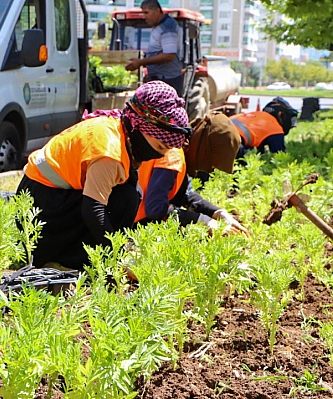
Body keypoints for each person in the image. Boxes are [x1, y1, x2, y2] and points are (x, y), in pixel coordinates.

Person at [17, 81, 191, 270]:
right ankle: (67, 261)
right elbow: (93, 211)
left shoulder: (118, 126)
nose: (159, 155)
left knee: (127, 193)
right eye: (159, 147)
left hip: (45, 194)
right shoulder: (110, 153)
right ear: (139, 126)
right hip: (40, 208)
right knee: (125, 200)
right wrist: (117, 257)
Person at [125, 0, 184, 96]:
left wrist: (141, 62)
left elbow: (168, 55)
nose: (144, 17)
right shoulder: (159, 26)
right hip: (161, 79)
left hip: (168, 80)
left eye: (146, 13)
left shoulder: (167, 27)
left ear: (157, 11)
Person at [231, 96, 299, 158]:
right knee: (249, 156)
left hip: (224, 131)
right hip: (231, 140)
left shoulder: (258, 115)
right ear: (280, 114)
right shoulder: (275, 128)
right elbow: (279, 155)